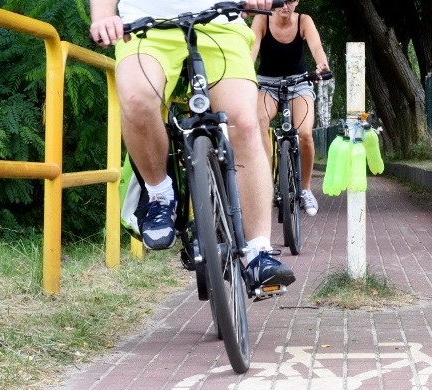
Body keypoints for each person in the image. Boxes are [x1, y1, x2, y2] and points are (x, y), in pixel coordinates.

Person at [89, 0, 295, 295]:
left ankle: (257, 253)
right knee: (136, 100)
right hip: (145, 25)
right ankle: (160, 196)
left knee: (244, 123)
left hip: (220, 22)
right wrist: (103, 17)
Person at [250, 0, 330, 217]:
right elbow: (253, 49)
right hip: (267, 84)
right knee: (259, 121)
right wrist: (245, 72)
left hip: (299, 83)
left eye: (290, 0)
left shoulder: (304, 20)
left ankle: (305, 190)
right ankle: (265, 184)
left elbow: (316, 47)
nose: (284, 5)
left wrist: (322, 65)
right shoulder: (261, 19)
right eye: (279, 0)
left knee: (304, 134)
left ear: (297, 1)